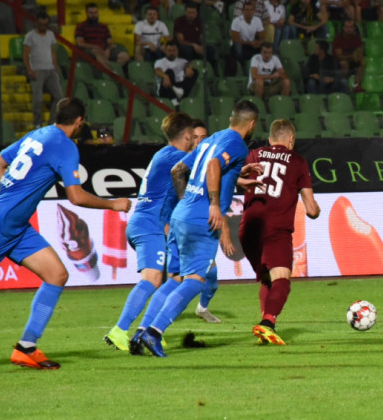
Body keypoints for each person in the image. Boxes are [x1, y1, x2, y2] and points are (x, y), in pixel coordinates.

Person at [0, 97, 131, 369]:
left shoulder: (38, 134)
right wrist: (113, 204)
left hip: (15, 228)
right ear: (79, 122)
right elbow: (76, 197)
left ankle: (26, 347)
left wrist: (9, 196)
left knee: (56, 275)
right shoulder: (65, 147)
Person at [132, 100, 263, 357]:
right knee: (195, 282)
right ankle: (154, 333)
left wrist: (237, 176)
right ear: (252, 124)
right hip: (201, 219)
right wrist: (213, 204)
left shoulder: (213, 138)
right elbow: (213, 166)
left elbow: (179, 169)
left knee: (175, 279)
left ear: (230, 119)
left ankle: (140, 331)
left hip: (181, 214)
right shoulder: (237, 144)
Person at [103, 112, 196, 351]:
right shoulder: (175, 156)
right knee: (152, 278)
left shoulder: (162, 154)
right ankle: (119, 330)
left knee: (167, 278)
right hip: (150, 224)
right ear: (186, 135)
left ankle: (145, 330)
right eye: (193, 136)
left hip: (146, 223)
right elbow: (205, 163)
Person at [241, 119, 320, 345]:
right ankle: (267, 324)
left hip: (248, 229)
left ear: (270, 138)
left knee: (267, 279)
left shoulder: (254, 154)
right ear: (291, 139)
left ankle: (266, 327)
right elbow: (311, 210)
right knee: (282, 279)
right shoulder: (297, 161)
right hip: (276, 229)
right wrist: (316, 210)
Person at [188, 120, 223, 324]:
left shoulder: (208, 165)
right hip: (180, 224)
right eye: (195, 137)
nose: (200, 141)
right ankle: (157, 318)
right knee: (172, 278)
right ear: (188, 138)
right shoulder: (182, 162)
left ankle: (202, 308)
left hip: (198, 225)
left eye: (204, 137)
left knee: (212, 276)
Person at [23, 10, 64, 129]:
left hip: (50, 69)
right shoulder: (30, 36)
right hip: (37, 69)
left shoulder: (50, 34)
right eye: (41, 25)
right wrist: (29, 69)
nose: (43, 27)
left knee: (59, 96)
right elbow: (26, 54)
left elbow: (52, 51)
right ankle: (37, 122)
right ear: (36, 23)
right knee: (38, 99)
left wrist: (55, 67)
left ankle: (52, 122)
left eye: (45, 25)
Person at [75, 3, 132, 68]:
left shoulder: (103, 27)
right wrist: (96, 47)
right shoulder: (81, 26)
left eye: (95, 13)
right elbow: (80, 44)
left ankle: (113, 69)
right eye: (91, 13)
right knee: (96, 51)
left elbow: (110, 42)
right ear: (86, 13)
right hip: (89, 51)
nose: (93, 15)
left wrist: (108, 50)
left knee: (125, 56)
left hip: (104, 50)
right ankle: (109, 72)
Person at [228, 0, 265, 76]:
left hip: (251, 45)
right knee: (238, 47)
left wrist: (258, 43)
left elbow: (262, 37)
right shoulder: (237, 21)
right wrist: (250, 43)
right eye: (247, 10)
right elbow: (235, 40)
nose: (249, 12)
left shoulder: (257, 20)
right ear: (243, 11)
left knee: (265, 47)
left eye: (251, 10)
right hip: (240, 44)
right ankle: (241, 68)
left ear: (254, 11)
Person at [332, 18, 364, 91]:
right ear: (343, 28)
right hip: (339, 63)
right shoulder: (338, 39)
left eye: (350, 27)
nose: (349, 29)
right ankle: (345, 85)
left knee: (362, 61)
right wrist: (352, 56)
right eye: (347, 27)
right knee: (344, 63)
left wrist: (358, 55)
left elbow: (360, 50)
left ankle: (356, 85)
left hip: (352, 61)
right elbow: (339, 56)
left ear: (354, 28)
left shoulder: (357, 39)